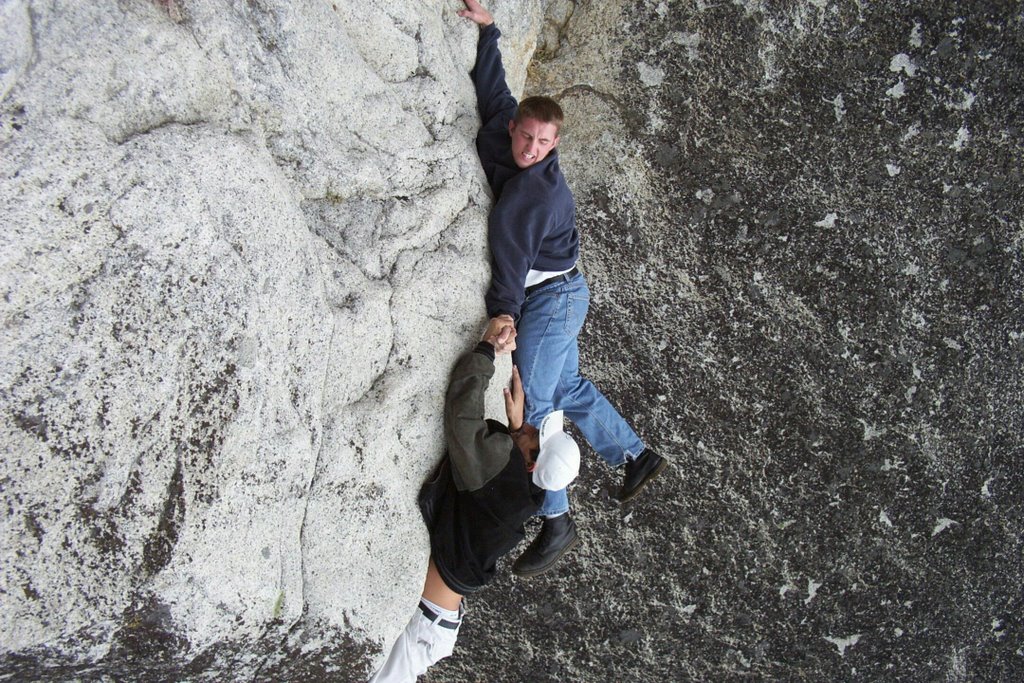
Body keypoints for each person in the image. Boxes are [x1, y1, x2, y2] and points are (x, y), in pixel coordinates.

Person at [458, 0, 669, 578]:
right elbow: (494, 91)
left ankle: (555, 521)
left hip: (551, 299)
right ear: (516, 129)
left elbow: (511, 260)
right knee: (567, 383)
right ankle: (634, 454)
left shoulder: (535, 196)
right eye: (526, 137)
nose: (530, 150)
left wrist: (503, 316)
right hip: (566, 292)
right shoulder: (509, 133)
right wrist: (489, 31)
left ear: (554, 147)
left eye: (542, 145)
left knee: (541, 405)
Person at [368, 322, 581, 682]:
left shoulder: (503, 473)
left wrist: (485, 350)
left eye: (535, 436)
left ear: (530, 463)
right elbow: (515, 469)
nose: (531, 425)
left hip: (423, 624)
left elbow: (463, 413)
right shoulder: (528, 492)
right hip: (435, 621)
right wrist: (517, 433)